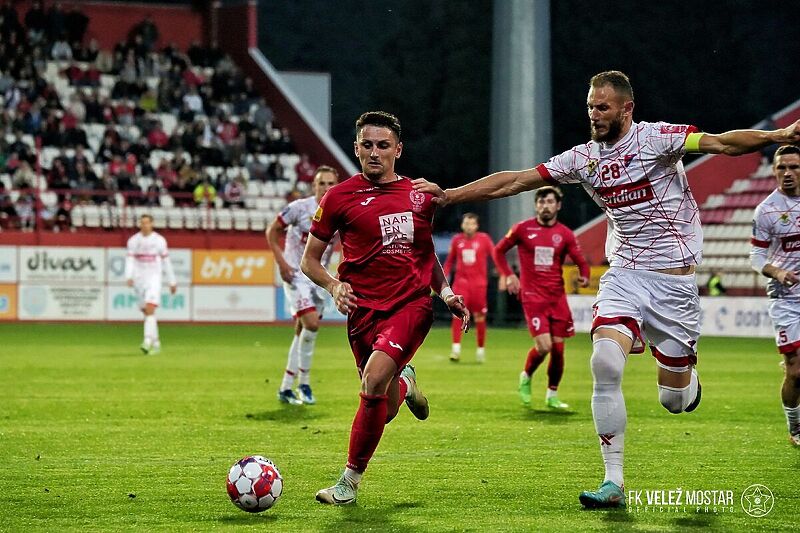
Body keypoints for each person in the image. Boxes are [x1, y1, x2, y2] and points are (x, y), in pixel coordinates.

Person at [413, 70, 800, 508]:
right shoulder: (583, 159)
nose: (594, 115)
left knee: (674, 401)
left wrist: (780, 133)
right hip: (625, 276)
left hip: (673, 285)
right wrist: (449, 196)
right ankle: (612, 481)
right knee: (603, 362)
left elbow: (722, 143)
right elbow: (517, 179)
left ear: (626, 109)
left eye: (603, 108)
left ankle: (684, 380)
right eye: (590, 107)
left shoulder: (657, 139)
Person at [301, 111, 469, 505]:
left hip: (410, 306)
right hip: (362, 314)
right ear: (356, 148)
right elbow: (310, 260)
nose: (374, 153)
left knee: (373, 381)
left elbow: (426, 255)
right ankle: (407, 383)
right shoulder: (338, 196)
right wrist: (333, 285)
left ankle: (348, 483)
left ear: (398, 149)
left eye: (383, 145)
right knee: (385, 405)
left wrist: (444, 293)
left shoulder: (419, 195)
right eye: (367, 145)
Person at [493, 186, 590, 409]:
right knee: (544, 346)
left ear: (558, 206)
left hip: (557, 297)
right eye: (541, 202)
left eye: (549, 202)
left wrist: (584, 275)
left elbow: (580, 260)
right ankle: (526, 375)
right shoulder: (522, 229)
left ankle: (551, 395)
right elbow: (498, 251)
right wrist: (508, 276)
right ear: (536, 205)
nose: (545, 206)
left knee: (558, 349)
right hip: (532, 296)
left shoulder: (565, 234)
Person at [267, 166, 339, 405]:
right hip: (296, 274)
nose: (326, 188)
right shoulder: (299, 208)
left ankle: (286, 387)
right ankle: (305, 383)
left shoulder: (339, 212)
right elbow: (272, 231)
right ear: (314, 186)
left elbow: (346, 245)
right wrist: (281, 263)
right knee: (311, 323)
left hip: (318, 277)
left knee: (302, 331)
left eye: (330, 183)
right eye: (321, 183)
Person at [750, 145, 800, 447]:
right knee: (796, 371)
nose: (788, 173)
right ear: (774, 171)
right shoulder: (767, 210)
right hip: (786, 298)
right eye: (782, 168)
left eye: (794, 167)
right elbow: (756, 257)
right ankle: (795, 427)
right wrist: (777, 272)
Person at [443, 213, 495, 363]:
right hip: (461, 284)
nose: (469, 226)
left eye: (472, 223)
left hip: (479, 285)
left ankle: (480, 351)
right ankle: (456, 350)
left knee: (480, 317)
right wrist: (444, 278)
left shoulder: (484, 239)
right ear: (462, 225)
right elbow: (449, 261)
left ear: (476, 226)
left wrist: (504, 274)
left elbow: (495, 255)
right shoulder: (456, 240)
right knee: (457, 314)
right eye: (466, 223)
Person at [125, 214, 176, 355]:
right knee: (146, 312)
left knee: (150, 308)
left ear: (152, 224)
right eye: (142, 223)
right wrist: (128, 276)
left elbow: (166, 261)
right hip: (139, 280)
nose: (145, 225)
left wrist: (172, 281)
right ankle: (156, 342)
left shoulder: (159, 240)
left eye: (147, 223)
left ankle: (147, 341)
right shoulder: (133, 241)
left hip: (154, 278)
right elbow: (130, 260)